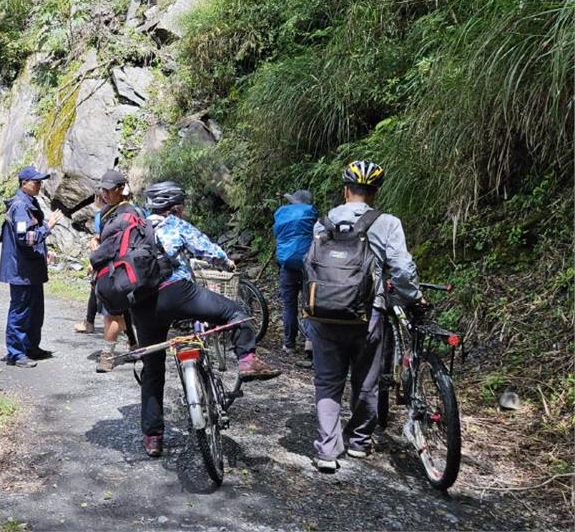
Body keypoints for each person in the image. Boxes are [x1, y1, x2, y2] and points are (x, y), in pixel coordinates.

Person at [129, 181, 280, 457]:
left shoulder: (135, 228)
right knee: (233, 312)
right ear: (174, 207)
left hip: (142, 305)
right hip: (178, 293)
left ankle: (152, 436)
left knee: (153, 369)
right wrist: (227, 263)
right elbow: (206, 249)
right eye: (182, 205)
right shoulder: (174, 224)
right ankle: (246, 360)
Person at [308, 160, 422, 472]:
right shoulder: (387, 223)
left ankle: (327, 452)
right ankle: (358, 441)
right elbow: (400, 267)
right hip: (368, 314)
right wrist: (413, 297)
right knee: (366, 380)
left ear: (345, 190)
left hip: (324, 314)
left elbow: (311, 265)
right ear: (374, 193)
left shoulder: (324, 221)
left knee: (327, 381)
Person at [0, 165, 62, 368]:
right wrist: (48, 227)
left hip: (31, 269)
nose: (39, 186)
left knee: (35, 311)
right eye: (36, 182)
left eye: (41, 182)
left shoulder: (29, 203)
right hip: (21, 271)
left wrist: (45, 250)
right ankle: (16, 354)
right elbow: (25, 237)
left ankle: (31, 347)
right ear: (24, 183)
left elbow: (32, 238)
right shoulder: (19, 206)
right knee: (21, 311)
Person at [92, 170, 139, 373]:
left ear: (121, 189)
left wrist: (96, 255)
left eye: (110, 190)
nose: (105, 194)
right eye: (103, 190)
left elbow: (119, 244)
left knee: (111, 315)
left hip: (119, 270)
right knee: (122, 312)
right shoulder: (107, 212)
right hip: (111, 268)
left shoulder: (129, 212)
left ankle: (107, 356)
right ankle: (136, 346)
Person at [273, 189, 318, 365]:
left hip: (287, 265)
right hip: (308, 265)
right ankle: (310, 342)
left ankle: (289, 344)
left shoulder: (282, 214)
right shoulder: (311, 213)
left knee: (289, 306)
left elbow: (278, 236)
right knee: (310, 303)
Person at [74, 194, 106, 335]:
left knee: (94, 287)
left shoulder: (102, 215)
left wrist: (93, 261)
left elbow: (101, 239)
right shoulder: (132, 210)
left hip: (106, 256)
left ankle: (89, 322)